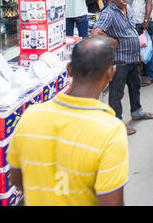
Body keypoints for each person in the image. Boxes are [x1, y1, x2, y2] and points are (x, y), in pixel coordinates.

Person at [8, 36, 128, 206]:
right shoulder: (111, 131)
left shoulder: (30, 116)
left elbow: (16, 179)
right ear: (110, 73)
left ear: (69, 69)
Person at [91, 0, 153, 135]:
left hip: (132, 58)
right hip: (119, 60)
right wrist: (111, 41)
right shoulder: (109, 12)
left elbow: (130, 30)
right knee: (116, 93)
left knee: (135, 86)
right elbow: (96, 33)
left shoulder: (128, 8)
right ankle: (117, 122)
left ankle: (137, 111)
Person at [129, 0, 153, 86]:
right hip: (140, 21)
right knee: (143, 48)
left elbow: (149, 3)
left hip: (144, 22)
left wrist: (146, 20)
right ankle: (146, 72)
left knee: (147, 48)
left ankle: (150, 75)